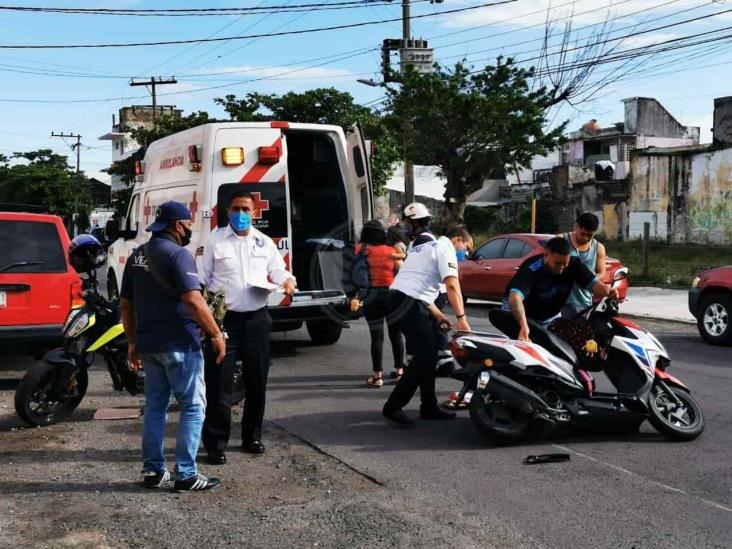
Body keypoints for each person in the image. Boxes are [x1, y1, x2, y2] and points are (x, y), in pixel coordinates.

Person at [119, 201, 226, 492]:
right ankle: (186, 474)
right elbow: (193, 300)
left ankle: (153, 471)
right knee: (193, 407)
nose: (190, 229)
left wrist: (132, 342)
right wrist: (216, 334)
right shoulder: (178, 255)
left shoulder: (136, 256)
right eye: (189, 224)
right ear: (178, 225)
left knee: (155, 406)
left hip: (148, 344)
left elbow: (126, 305)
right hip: (180, 342)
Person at [202, 189, 296, 463]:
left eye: (245, 209)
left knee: (257, 383)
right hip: (224, 322)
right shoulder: (215, 241)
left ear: (255, 213)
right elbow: (203, 280)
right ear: (228, 212)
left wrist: (287, 282)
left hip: (257, 320)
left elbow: (279, 271)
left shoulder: (264, 242)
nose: (240, 214)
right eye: (236, 209)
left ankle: (251, 437)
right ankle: (216, 444)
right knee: (219, 386)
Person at [382, 203, 471, 426]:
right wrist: (462, 319)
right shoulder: (443, 247)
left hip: (405, 300)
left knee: (428, 355)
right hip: (407, 302)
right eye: (466, 247)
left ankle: (428, 407)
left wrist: (439, 314)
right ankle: (393, 406)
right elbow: (452, 285)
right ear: (457, 240)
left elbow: (420, 288)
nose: (465, 253)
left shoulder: (421, 248)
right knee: (426, 356)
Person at [504, 236, 618, 342]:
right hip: (520, 312)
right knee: (523, 347)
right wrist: (524, 326)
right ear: (546, 255)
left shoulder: (574, 264)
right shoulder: (531, 268)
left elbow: (592, 284)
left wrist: (607, 291)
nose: (561, 268)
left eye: (565, 263)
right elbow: (515, 299)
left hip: (550, 315)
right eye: (557, 263)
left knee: (555, 347)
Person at [356, 220, 405, 388]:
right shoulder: (391, 251)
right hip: (391, 294)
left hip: (371, 296)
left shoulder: (360, 249)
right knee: (396, 334)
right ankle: (399, 371)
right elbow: (402, 270)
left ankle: (377, 377)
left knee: (376, 338)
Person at [559, 212, 607, 317]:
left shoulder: (598, 248)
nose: (585, 238)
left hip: (584, 301)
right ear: (576, 227)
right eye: (583, 234)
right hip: (560, 299)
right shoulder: (561, 240)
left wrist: (587, 280)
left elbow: (602, 272)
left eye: (590, 235)